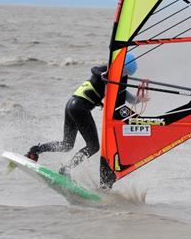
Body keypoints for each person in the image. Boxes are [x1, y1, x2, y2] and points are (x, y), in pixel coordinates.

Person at [25, 53, 138, 187]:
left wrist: (138, 100)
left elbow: (125, 95)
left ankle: (35, 151)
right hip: (79, 108)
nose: (124, 75)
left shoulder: (114, 80)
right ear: (120, 66)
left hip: (71, 106)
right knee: (94, 146)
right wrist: (104, 76)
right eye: (124, 71)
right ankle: (65, 169)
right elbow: (95, 70)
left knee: (66, 145)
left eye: (127, 74)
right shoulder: (105, 71)